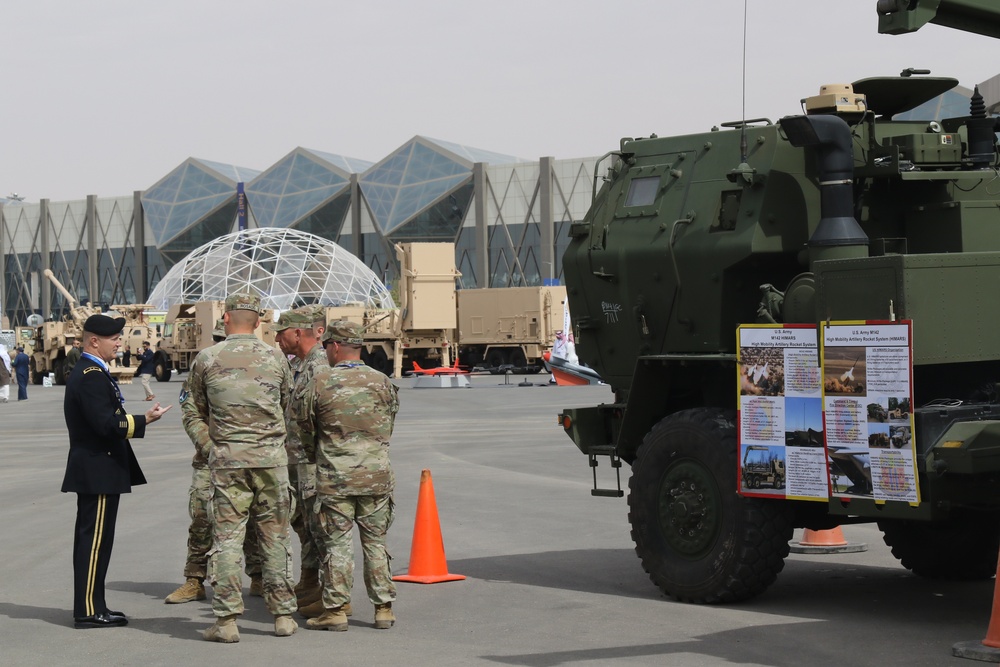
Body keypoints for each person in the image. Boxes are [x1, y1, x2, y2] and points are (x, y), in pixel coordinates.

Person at [181, 293, 298, 642]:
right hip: (271, 462)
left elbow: (192, 411)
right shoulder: (277, 358)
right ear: (258, 322)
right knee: (275, 537)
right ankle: (282, 616)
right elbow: (287, 408)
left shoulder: (207, 358)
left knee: (228, 538)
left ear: (227, 319)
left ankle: (227, 620)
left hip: (228, 463)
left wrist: (212, 447)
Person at [61, 313, 171, 629]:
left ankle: (95, 605)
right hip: (97, 468)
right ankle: (87, 610)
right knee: (94, 543)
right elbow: (105, 424)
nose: (119, 342)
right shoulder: (91, 375)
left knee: (98, 542)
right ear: (94, 341)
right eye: (114, 338)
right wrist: (143, 420)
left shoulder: (92, 371)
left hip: (99, 468)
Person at [300, 320, 399, 632]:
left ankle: (336, 610)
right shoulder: (382, 381)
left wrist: (321, 456)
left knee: (338, 545)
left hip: (336, 478)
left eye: (328, 346)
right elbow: (389, 424)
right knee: (375, 544)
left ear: (335, 346)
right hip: (376, 476)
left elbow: (304, 430)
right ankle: (383, 609)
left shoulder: (320, 382)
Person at [164, 318, 262, 606]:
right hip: (211, 458)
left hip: (250, 456)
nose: (222, 345)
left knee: (254, 517)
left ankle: (258, 576)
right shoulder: (204, 367)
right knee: (202, 516)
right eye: (217, 338)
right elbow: (190, 411)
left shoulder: (259, 366)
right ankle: (195, 579)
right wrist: (209, 447)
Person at [269, 306, 331, 613]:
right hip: (297, 460)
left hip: (312, 463)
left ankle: (330, 593)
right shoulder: (302, 364)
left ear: (296, 333)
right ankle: (310, 582)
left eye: (281, 333)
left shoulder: (319, 365)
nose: (277, 339)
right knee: (305, 524)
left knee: (319, 527)